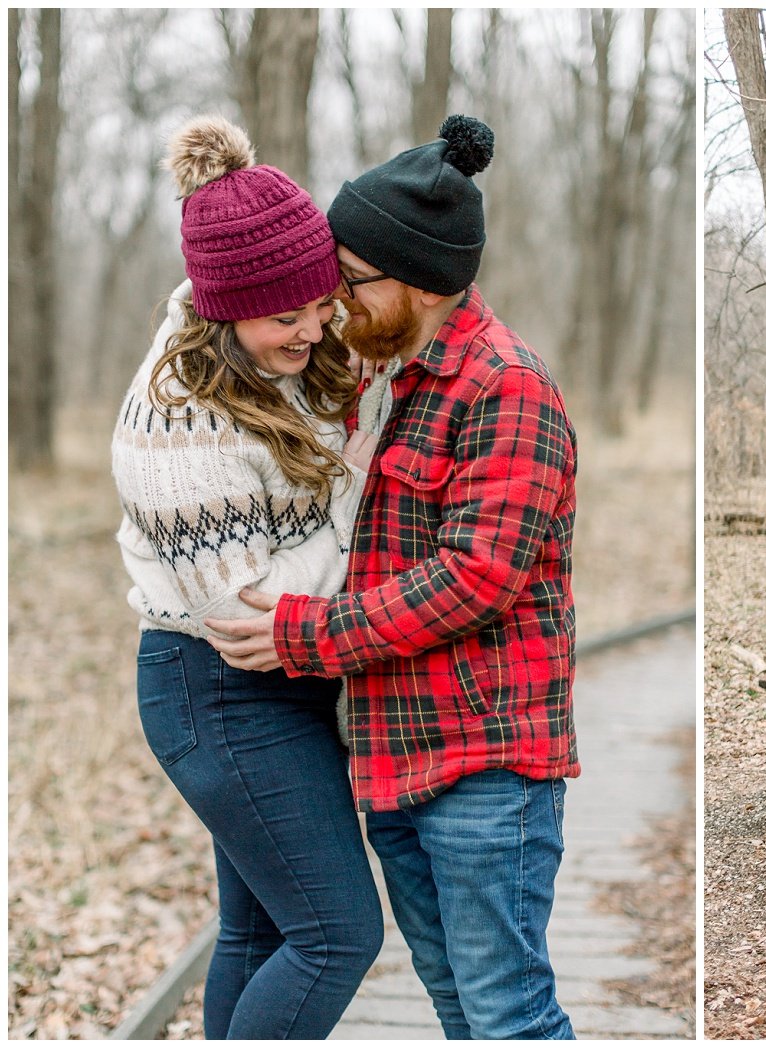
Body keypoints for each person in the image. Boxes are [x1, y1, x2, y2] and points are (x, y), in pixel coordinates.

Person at [204, 115, 579, 1040]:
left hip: (487, 771)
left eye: (346, 282)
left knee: (508, 1015)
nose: (330, 303)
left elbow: (475, 577)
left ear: (413, 281)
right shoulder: (390, 380)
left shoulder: (506, 387)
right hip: (396, 757)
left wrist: (304, 633)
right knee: (460, 1007)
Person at [112, 116, 381, 1038]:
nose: (311, 330)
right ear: (226, 309)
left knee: (260, 934)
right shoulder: (177, 425)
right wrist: (354, 487)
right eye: (286, 316)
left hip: (278, 684)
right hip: (217, 690)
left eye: (320, 304)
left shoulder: (262, 360)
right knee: (338, 935)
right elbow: (247, 612)